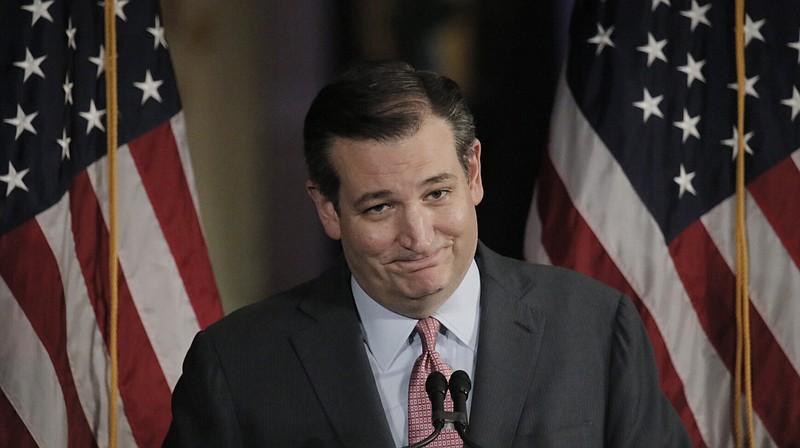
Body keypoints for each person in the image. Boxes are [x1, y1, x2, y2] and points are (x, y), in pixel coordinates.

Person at [163, 61, 690, 447]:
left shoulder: (596, 327)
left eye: (437, 194)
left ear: (474, 173)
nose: (418, 235)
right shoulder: (238, 365)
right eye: (379, 207)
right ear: (327, 209)